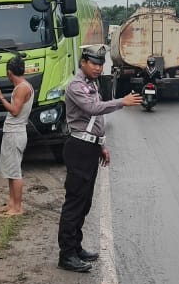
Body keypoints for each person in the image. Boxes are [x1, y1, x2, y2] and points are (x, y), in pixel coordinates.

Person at [56, 49, 142, 272]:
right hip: (78, 148)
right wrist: (122, 102)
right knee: (75, 202)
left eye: (100, 65)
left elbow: (96, 119)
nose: (97, 68)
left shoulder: (91, 84)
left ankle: (76, 247)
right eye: (93, 64)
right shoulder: (76, 86)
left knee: (85, 202)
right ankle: (66, 255)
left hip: (90, 146)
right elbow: (93, 108)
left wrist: (101, 145)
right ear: (83, 63)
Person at [0, 55, 34, 218]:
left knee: (15, 171)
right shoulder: (24, 86)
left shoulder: (22, 88)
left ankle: (17, 207)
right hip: (13, 131)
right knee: (10, 170)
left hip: (15, 132)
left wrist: (0, 96)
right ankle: (11, 203)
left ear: (9, 73)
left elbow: (15, 111)